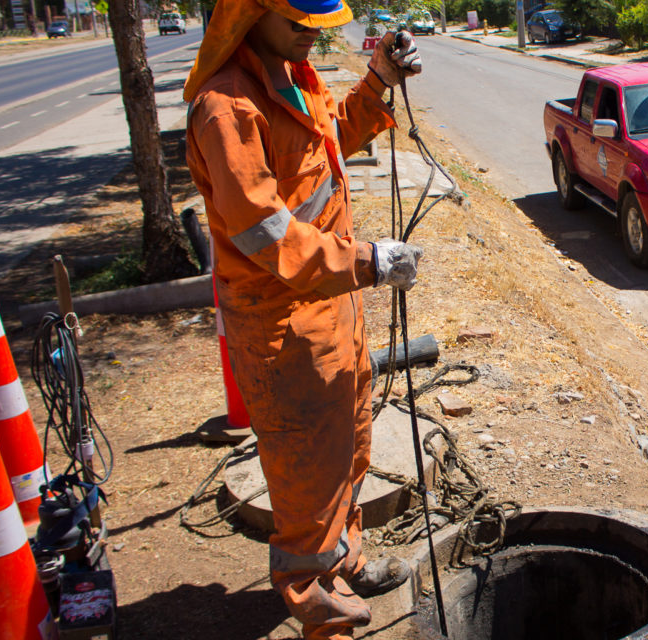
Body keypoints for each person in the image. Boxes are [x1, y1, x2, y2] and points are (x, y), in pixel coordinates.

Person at [182, 0, 423, 637]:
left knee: (349, 446)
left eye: (320, 29)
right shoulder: (226, 108)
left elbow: (327, 145)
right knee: (307, 472)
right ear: (247, 15)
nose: (311, 39)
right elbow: (267, 237)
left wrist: (376, 83)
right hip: (282, 325)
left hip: (332, 302)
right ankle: (313, 600)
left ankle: (344, 562)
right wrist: (369, 261)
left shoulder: (294, 73)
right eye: (298, 25)